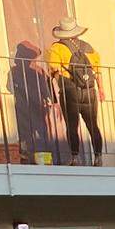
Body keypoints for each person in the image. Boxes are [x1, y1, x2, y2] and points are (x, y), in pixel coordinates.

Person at [46, 17, 104, 166]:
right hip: (90, 91)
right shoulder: (89, 48)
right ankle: (98, 157)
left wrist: (58, 88)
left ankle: (75, 157)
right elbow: (97, 71)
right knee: (93, 125)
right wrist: (101, 89)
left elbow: (54, 69)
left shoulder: (57, 48)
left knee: (72, 125)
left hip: (70, 90)